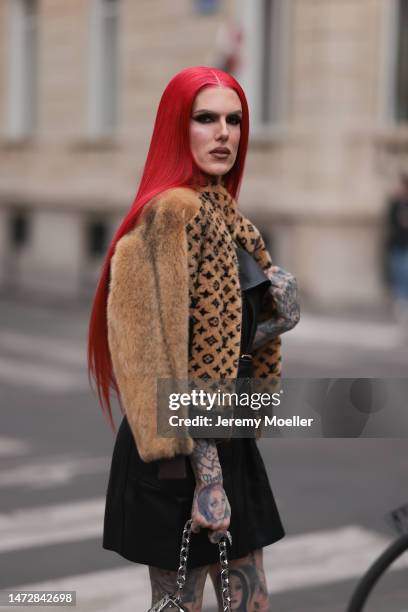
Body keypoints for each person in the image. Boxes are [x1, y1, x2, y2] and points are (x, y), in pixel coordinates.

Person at [87, 66, 300, 612]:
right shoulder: (168, 219)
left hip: (228, 438)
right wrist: (208, 478)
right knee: (183, 605)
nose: (224, 133)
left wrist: (279, 317)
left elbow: (232, 344)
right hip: (180, 450)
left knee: (251, 602)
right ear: (175, 129)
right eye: (206, 119)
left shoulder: (228, 218)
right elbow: (156, 357)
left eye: (234, 120)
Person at [385, 174, 408, 328]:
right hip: (397, 247)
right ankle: (401, 309)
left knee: (404, 276)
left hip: (405, 246)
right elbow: (392, 223)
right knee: (398, 278)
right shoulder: (395, 204)